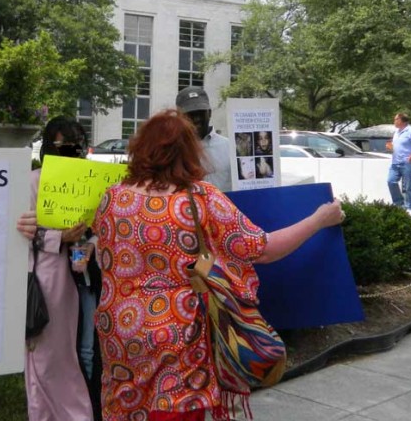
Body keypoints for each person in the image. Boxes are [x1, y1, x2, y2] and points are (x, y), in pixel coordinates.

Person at [92, 109, 343, 421]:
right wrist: (319, 220)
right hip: (176, 332)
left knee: (126, 408)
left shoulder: (112, 198)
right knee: (174, 411)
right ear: (189, 151)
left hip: (119, 328)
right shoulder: (199, 198)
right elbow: (262, 249)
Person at [14, 116, 94, 421]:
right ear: (49, 148)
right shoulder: (33, 181)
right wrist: (60, 237)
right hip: (44, 279)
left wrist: (90, 243)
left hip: (81, 277)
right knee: (44, 358)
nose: (71, 153)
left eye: (77, 147)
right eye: (64, 147)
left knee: (75, 354)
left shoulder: (88, 181)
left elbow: (100, 225)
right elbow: (19, 229)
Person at [176, 86, 233, 191]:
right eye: (191, 114)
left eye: (201, 113)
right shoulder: (171, 152)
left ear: (210, 113)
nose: (197, 119)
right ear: (179, 116)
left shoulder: (230, 147)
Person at [387, 112, 411, 217]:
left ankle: (410, 208)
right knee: (391, 181)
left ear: (402, 121)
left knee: (409, 186)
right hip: (395, 162)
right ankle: (399, 205)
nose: (394, 121)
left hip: (407, 163)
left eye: (396, 119)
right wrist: (391, 147)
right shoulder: (396, 132)